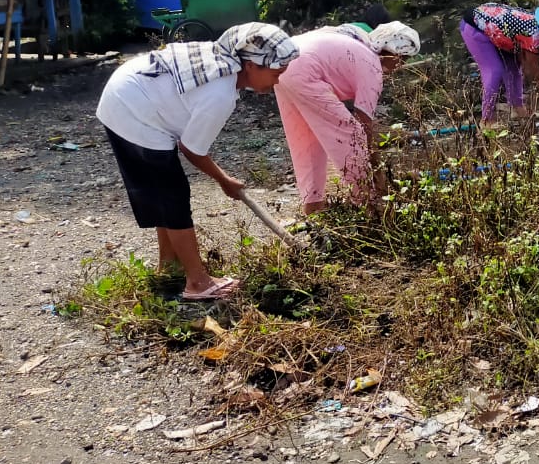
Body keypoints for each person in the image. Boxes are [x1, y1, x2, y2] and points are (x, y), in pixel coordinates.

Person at [96, 22, 299, 300]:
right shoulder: (220, 93)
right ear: (251, 65)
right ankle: (198, 282)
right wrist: (224, 180)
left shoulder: (222, 59)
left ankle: (168, 268)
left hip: (122, 96)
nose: (277, 81)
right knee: (173, 196)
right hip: (135, 111)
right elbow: (192, 149)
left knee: (163, 194)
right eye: (276, 74)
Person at [275, 21, 421, 214]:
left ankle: (313, 208)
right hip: (304, 69)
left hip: (281, 65)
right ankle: (369, 206)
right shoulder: (371, 65)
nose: (401, 66)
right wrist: (379, 177)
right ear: (394, 53)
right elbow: (364, 126)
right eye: (403, 59)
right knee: (351, 135)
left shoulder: (357, 43)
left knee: (305, 140)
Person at [459, 3, 539, 122]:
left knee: (514, 67)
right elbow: (533, 69)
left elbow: (525, 64)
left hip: (500, 36)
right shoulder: (535, 35)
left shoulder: (536, 29)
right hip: (474, 27)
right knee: (494, 70)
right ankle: (487, 120)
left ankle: (517, 109)